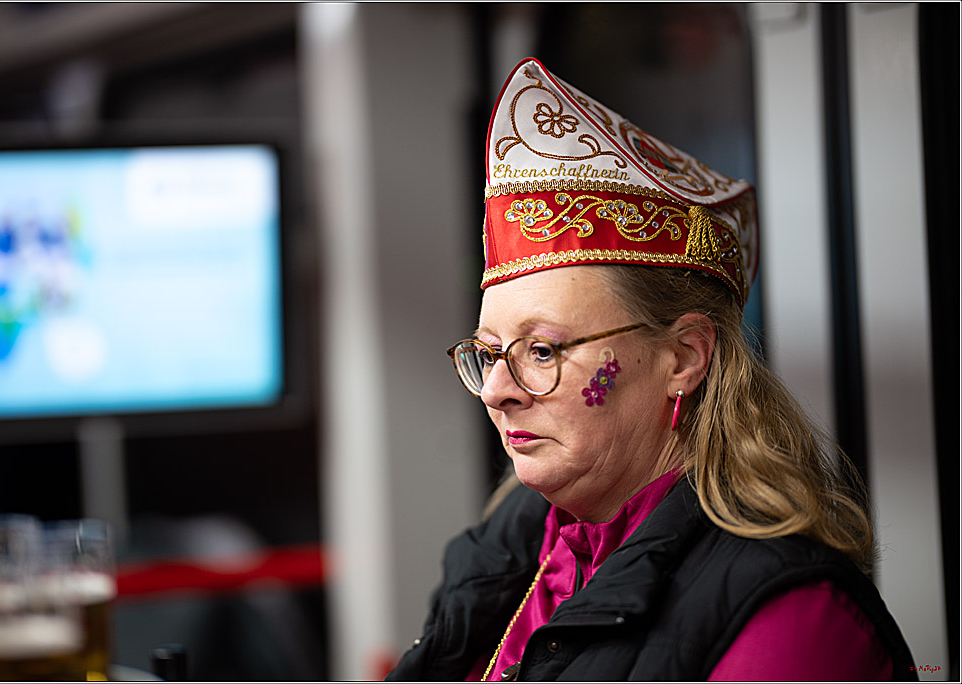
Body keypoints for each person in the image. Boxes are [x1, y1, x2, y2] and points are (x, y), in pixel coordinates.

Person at [386, 57, 917, 681]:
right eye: (488, 353)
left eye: (543, 351)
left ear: (684, 358)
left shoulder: (791, 619)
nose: (497, 392)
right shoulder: (509, 548)